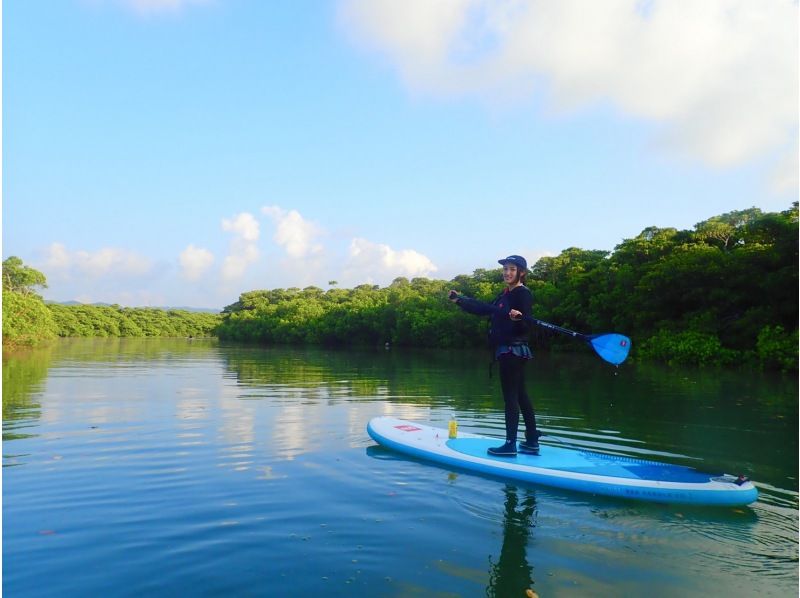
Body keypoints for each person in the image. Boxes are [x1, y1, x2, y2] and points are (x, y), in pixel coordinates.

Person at [449, 255, 540, 457]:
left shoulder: (522, 294)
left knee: (510, 398)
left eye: (512, 269)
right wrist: (460, 301)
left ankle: (510, 445)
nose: (507, 273)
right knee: (521, 395)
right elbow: (485, 309)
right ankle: (532, 440)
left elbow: (527, 325)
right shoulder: (505, 295)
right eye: (505, 269)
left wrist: (519, 319)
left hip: (512, 351)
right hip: (512, 351)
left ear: (521, 273)